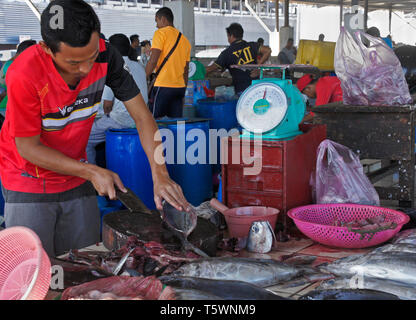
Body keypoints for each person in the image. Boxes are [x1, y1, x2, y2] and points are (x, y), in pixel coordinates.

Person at [0, 0, 189, 257]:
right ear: (46, 49)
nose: (87, 69)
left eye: (90, 58)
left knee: (85, 262)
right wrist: (91, 170)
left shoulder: (106, 56)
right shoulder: (25, 73)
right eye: (73, 63)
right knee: (36, 269)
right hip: (28, 181)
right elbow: (27, 147)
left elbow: (143, 117)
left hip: (78, 176)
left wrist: (160, 173)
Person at [86, 33, 148, 164]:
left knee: (85, 139)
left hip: (121, 120)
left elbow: (107, 106)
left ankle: (91, 177)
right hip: (142, 118)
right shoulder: (139, 66)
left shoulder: (114, 66)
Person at [145, 7, 191, 118]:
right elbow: (186, 70)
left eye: (157, 21)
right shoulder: (185, 40)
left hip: (163, 86)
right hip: (179, 88)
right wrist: (183, 90)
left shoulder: (160, 33)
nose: (156, 25)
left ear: (164, 19)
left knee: (154, 122)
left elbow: (153, 60)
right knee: (176, 124)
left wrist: (143, 77)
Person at [205, 23, 271, 95]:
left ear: (231, 36)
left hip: (241, 90)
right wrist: (258, 67)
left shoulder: (227, 53)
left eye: (228, 36)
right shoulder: (251, 45)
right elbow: (268, 50)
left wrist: (197, 72)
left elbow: (210, 69)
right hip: (256, 88)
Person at [0, 40, 37, 113]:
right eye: (34, 53)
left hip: (11, 106)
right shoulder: (12, 66)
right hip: (7, 107)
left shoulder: (16, 63)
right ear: (26, 52)